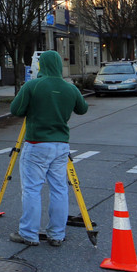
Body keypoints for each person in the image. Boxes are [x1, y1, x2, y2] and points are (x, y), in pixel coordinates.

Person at [8, 49, 88, 247]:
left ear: (40, 65)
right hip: (61, 146)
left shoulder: (33, 86)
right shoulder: (70, 88)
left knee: (32, 190)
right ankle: (56, 234)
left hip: (36, 144)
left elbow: (15, 110)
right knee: (59, 189)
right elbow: (82, 109)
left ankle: (29, 233)